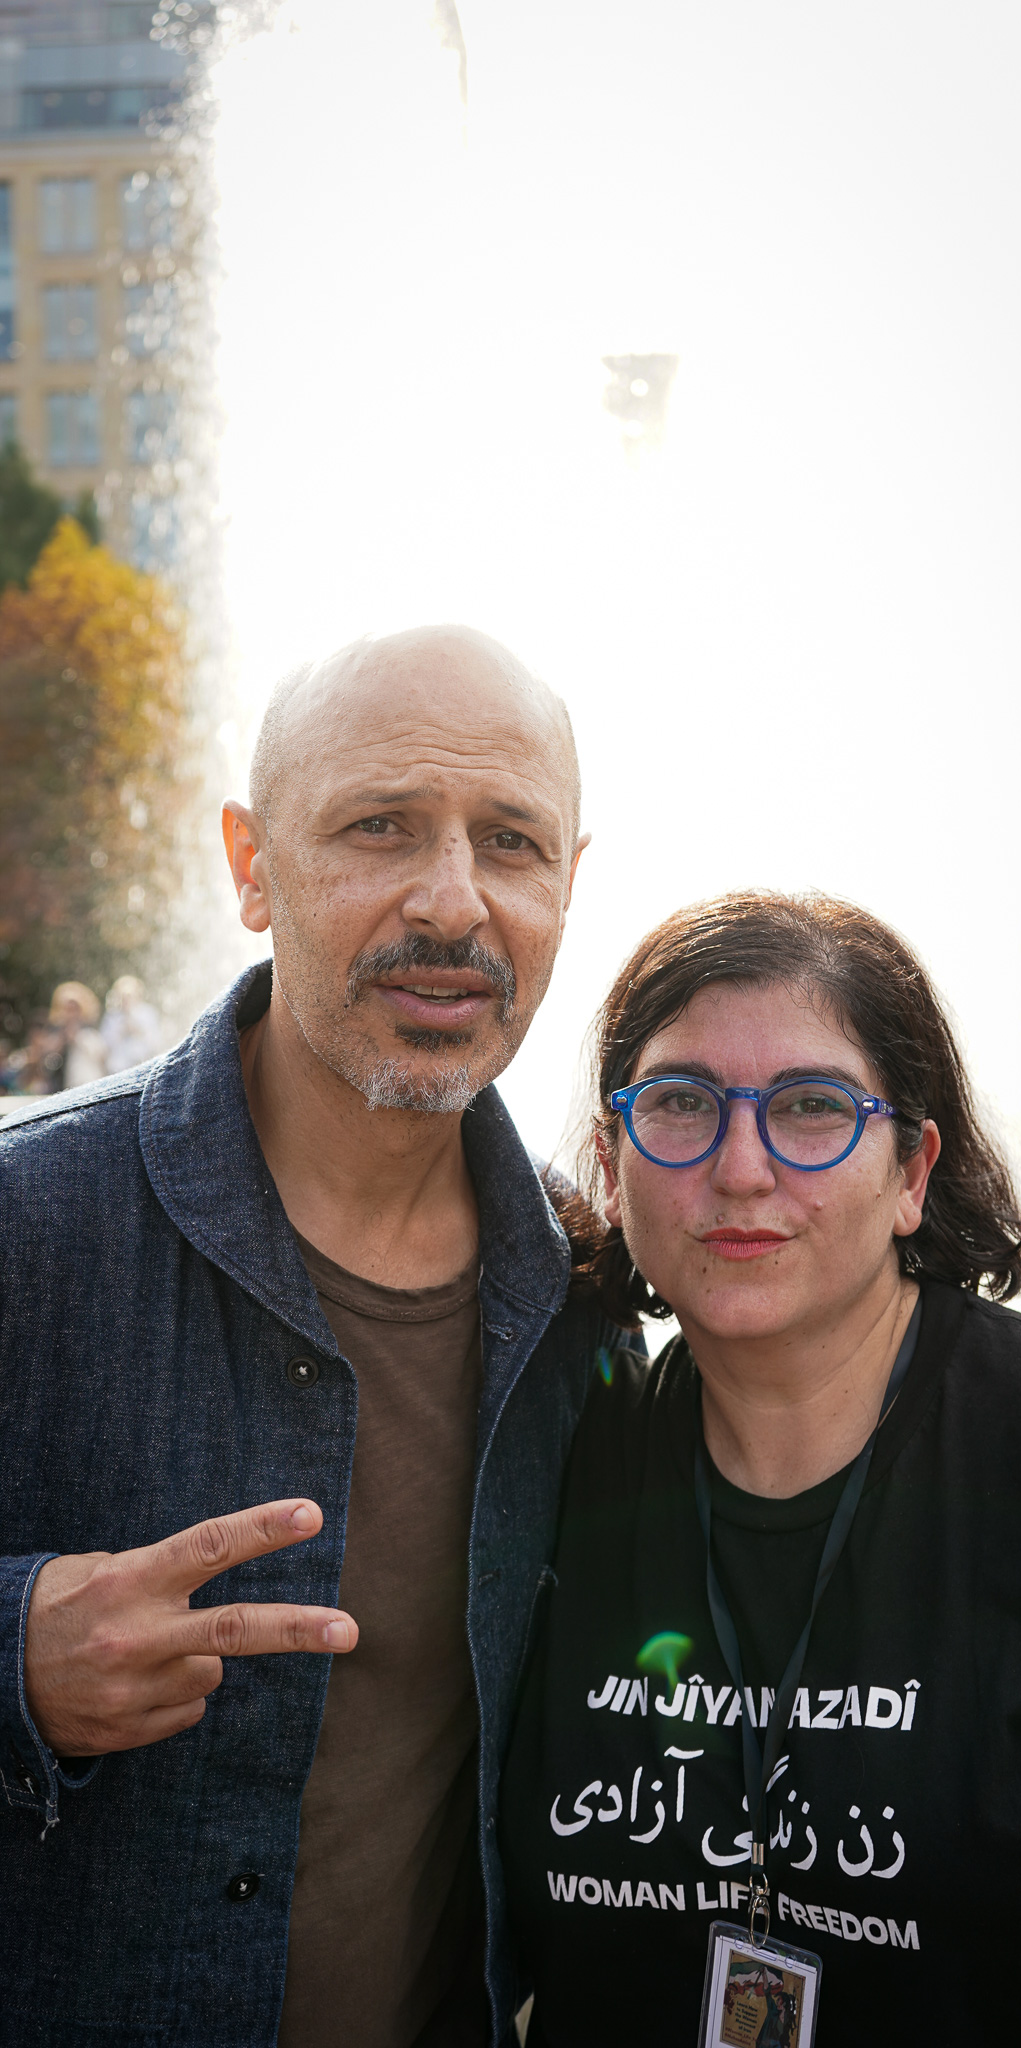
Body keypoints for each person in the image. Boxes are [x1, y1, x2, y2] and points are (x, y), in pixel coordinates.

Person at [0, 626, 634, 2048]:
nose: (455, 903)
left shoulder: (586, 1304)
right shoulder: (27, 1229)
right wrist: (14, 1659)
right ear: (250, 866)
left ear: (569, 886)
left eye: (513, 843)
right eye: (380, 828)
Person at [499, 890, 1021, 2047]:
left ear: (913, 1170)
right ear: (612, 1164)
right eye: (679, 1103)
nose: (741, 1167)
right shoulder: (559, 1462)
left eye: (811, 1108)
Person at [47, 980, 107, 1088]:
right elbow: (49, 1057)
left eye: (74, 1009)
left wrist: (77, 1038)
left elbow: (101, 1055)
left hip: (86, 1084)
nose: (70, 1013)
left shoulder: (89, 1029)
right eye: (66, 1009)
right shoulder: (57, 1031)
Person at [101, 973, 164, 1072]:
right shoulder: (112, 1016)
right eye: (122, 995)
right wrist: (121, 1031)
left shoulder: (147, 1013)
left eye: (129, 995)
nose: (126, 999)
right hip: (118, 1068)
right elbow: (105, 1045)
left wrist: (138, 1031)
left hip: (142, 1065)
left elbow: (156, 1041)